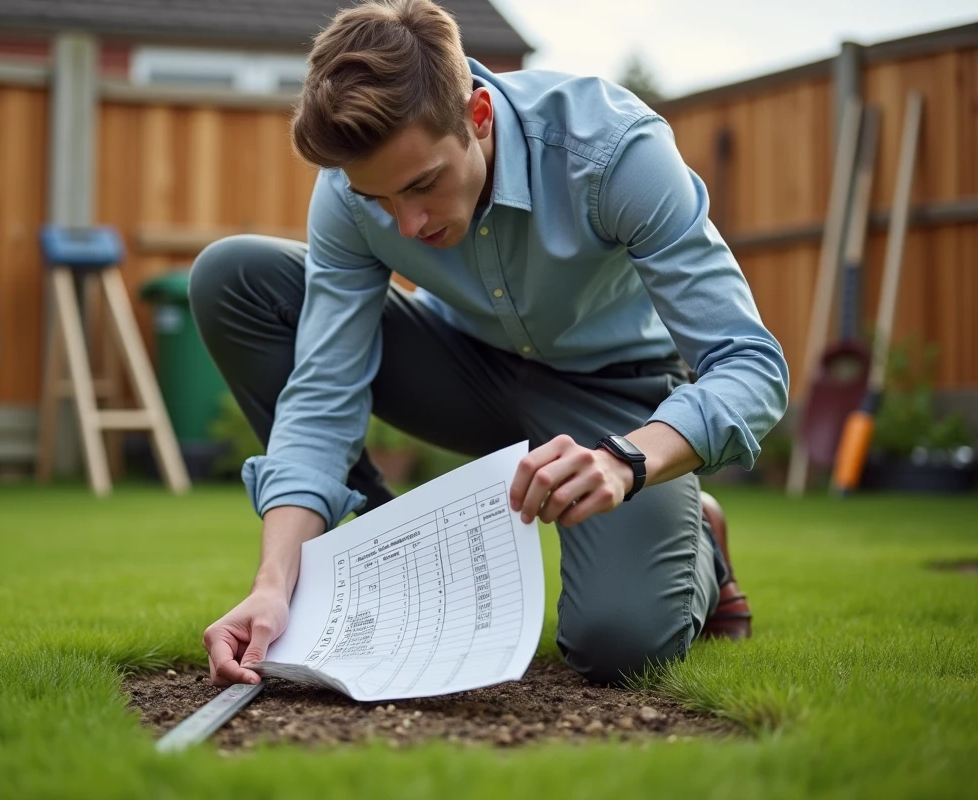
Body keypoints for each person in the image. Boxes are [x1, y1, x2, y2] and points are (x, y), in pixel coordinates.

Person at [189, 0, 787, 687]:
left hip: (614, 406)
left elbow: (752, 366)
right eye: (380, 202)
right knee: (234, 277)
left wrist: (629, 460)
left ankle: (699, 540)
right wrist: (273, 581)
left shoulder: (614, 152)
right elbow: (323, 395)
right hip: (462, 370)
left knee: (620, 646)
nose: (406, 224)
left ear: (477, 116)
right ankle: (381, 568)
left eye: (422, 185)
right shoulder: (349, 194)